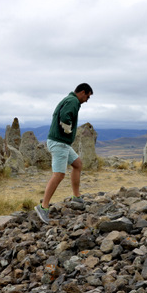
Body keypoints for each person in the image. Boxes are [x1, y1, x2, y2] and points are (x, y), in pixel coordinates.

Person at [35, 83, 93, 224]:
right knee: (59, 174)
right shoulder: (72, 101)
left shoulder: (70, 99)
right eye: (87, 96)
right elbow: (65, 116)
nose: (87, 100)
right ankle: (43, 207)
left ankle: (76, 196)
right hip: (59, 142)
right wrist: (67, 128)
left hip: (63, 143)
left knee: (78, 164)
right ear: (83, 92)